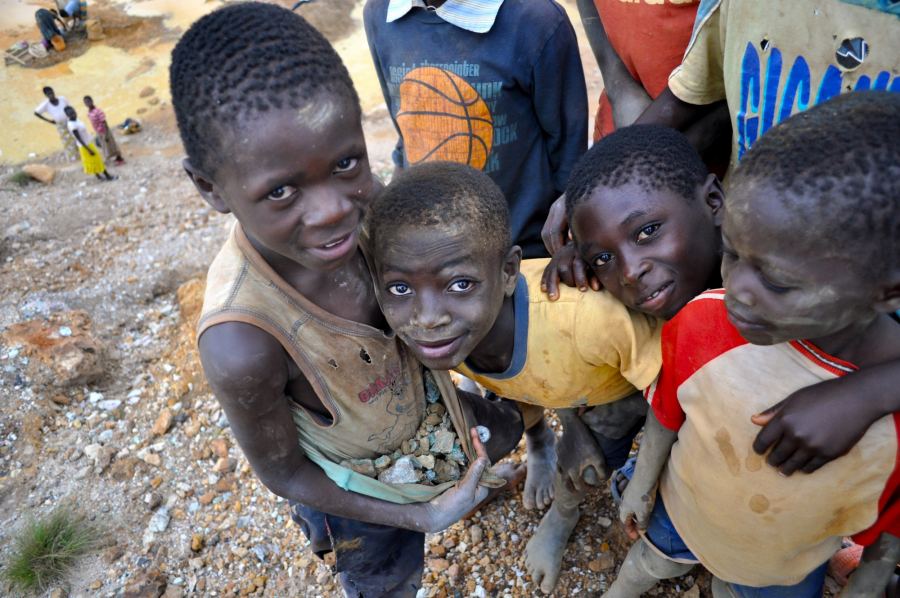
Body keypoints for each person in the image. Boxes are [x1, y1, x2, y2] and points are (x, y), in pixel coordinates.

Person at [170, 5, 524, 597]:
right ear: (210, 189)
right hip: (359, 489)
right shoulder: (244, 340)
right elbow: (284, 471)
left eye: (346, 163)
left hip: (428, 419)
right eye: (281, 191)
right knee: (383, 574)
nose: (333, 207)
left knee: (503, 430)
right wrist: (424, 517)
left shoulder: (375, 216)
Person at [601, 91, 900, 598]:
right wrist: (641, 482)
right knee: (647, 565)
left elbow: (886, 540)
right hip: (682, 511)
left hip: (780, 570)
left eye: (778, 283)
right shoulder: (703, 319)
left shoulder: (889, 421)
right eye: (733, 252)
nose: (736, 290)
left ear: (886, 291)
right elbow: (667, 412)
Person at [367, 161, 662, 594]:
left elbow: (674, 388)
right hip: (567, 384)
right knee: (560, 435)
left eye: (460, 284)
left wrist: (643, 478)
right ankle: (553, 477)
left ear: (508, 273)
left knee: (594, 457)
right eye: (400, 289)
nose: (427, 319)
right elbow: (542, 373)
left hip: (636, 389)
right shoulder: (450, 339)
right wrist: (568, 424)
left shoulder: (587, 319)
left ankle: (564, 512)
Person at [364, 0, 590, 512]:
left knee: (544, 351)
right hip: (436, 256)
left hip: (523, 243)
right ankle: (536, 439)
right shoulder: (381, 15)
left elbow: (571, 145)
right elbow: (407, 133)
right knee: (475, 356)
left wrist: (571, 232)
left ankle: (573, 422)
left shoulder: (536, 23)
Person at [64, 106, 115, 182]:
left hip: (88, 143)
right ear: (67, 116)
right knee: (97, 161)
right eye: (71, 114)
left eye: (74, 113)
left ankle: (99, 177)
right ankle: (108, 176)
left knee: (93, 161)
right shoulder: (72, 125)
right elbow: (79, 139)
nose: (73, 115)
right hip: (85, 146)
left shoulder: (75, 120)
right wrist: (88, 149)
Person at [34, 87, 78, 162]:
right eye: (49, 94)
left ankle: (80, 154)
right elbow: (36, 113)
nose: (51, 95)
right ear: (46, 95)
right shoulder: (46, 105)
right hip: (61, 125)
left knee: (76, 137)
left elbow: (69, 107)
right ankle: (73, 157)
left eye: (51, 93)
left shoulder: (62, 99)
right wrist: (49, 121)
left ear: (54, 92)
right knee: (66, 141)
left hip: (70, 121)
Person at [84, 96, 124, 166]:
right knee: (105, 146)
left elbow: (104, 122)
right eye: (86, 102)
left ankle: (119, 158)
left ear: (92, 101)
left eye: (88, 102)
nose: (88, 103)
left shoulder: (98, 111)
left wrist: (106, 134)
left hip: (104, 131)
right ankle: (112, 158)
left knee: (111, 145)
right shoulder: (89, 111)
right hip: (98, 131)